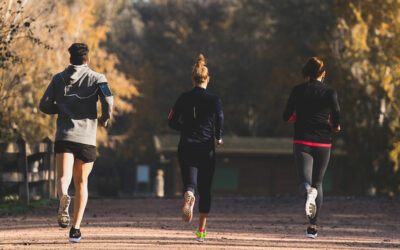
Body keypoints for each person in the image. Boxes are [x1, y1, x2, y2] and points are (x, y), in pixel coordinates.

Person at [39, 43, 113, 243]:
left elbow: (44, 105)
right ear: (87, 60)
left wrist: (62, 108)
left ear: (70, 59)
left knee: (64, 178)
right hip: (87, 138)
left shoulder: (58, 78)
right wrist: (104, 117)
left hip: (65, 135)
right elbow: (108, 99)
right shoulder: (98, 78)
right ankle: (76, 229)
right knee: (82, 183)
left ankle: (64, 198)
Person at [168, 54, 224, 242]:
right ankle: (201, 231)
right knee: (206, 189)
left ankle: (189, 195)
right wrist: (218, 136)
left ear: (193, 79)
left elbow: (171, 121)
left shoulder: (183, 98)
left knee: (190, 183)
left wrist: (184, 128)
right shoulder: (214, 99)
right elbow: (220, 117)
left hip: (187, 145)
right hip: (206, 147)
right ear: (208, 79)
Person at [283, 57, 340, 239]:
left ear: (306, 73)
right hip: (323, 142)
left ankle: (308, 191)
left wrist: (294, 118)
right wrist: (335, 126)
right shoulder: (330, 92)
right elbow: (337, 113)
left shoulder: (298, 90)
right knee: (319, 183)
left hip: (302, 141)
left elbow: (286, 115)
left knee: (304, 181)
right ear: (323, 74)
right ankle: (312, 227)